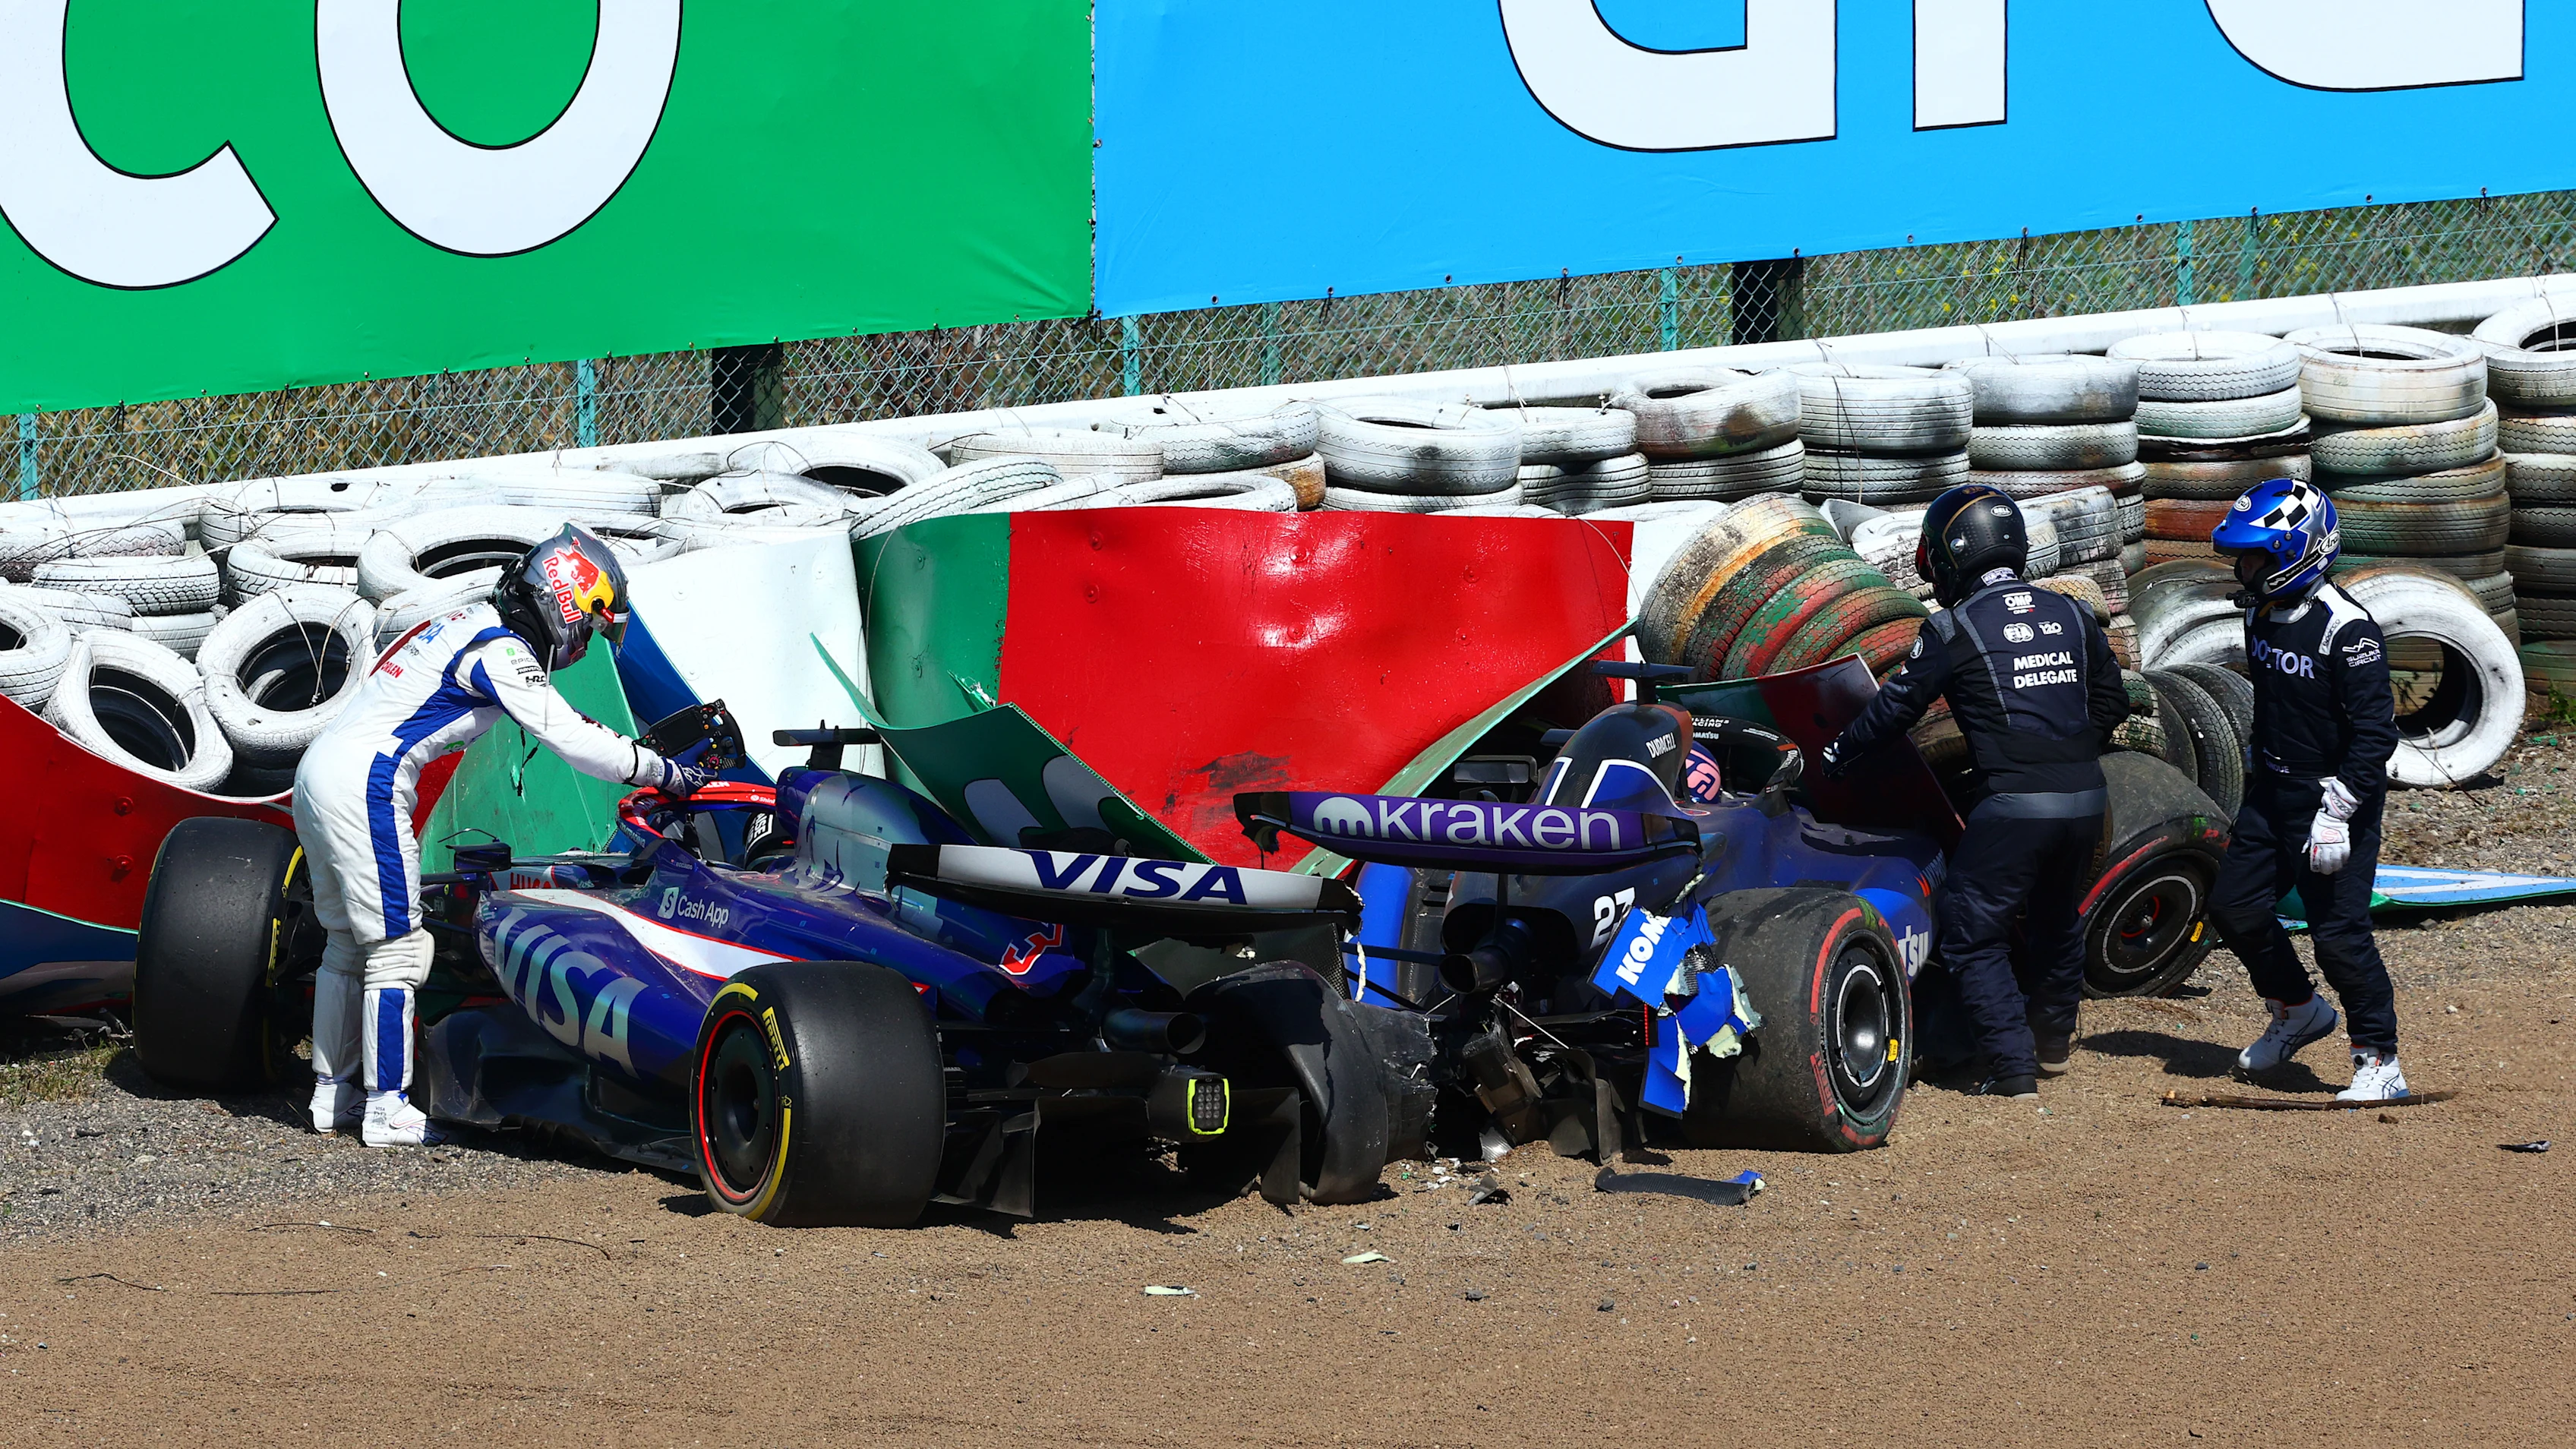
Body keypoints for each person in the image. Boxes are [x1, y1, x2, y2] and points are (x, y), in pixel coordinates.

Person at [292, 526, 714, 1147]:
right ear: (566, 602)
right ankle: (387, 1108)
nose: (586, 641)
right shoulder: (502, 650)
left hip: (319, 772)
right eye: (592, 623)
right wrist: (661, 771)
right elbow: (570, 737)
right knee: (400, 948)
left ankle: (332, 1096)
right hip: (367, 781)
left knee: (346, 945)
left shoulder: (469, 622)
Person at [1819, 484, 2129, 1098]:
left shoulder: (1952, 627)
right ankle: (2051, 1046)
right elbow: (2114, 701)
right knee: (2056, 920)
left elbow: (1897, 708)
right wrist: (2065, 752)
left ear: (1951, 557)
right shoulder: (2070, 611)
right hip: (2087, 799)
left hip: (2014, 805)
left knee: (1970, 930)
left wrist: (1837, 753)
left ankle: (2012, 1070)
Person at [2205, 478, 2407, 1103]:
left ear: (2297, 552)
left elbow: (2377, 736)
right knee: (2234, 909)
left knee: (2338, 937)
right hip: (2273, 793)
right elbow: (2273, 703)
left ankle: (2380, 1061)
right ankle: (2297, 1009)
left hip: (2334, 801)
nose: (2243, 571)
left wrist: (2337, 813)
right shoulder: (2259, 613)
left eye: (2255, 559)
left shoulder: (2349, 631)